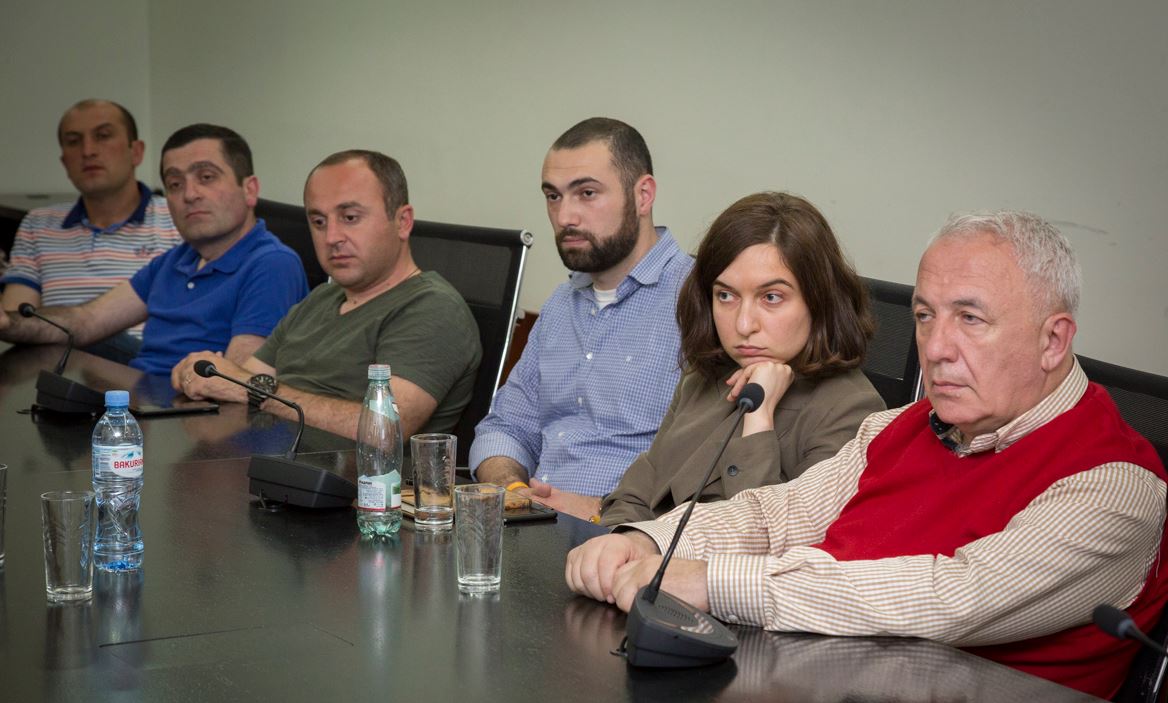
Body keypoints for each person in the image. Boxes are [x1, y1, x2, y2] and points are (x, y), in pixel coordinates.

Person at [566, 210, 1168, 699]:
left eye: (970, 318)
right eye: (925, 316)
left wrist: (713, 581)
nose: (936, 348)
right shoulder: (898, 427)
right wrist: (650, 541)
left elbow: (952, 598)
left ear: (1053, 340)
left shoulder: (1119, 485)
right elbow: (777, 515)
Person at [598, 192, 884, 526]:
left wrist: (759, 419)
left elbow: (779, 538)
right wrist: (625, 543)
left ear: (819, 300)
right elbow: (634, 493)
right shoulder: (703, 376)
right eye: (726, 295)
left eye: (771, 297)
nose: (744, 325)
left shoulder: (852, 410)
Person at [171, 150, 481, 440]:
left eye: (350, 218)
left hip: (347, 477)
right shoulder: (321, 299)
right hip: (259, 456)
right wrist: (202, 377)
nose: (331, 237)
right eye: (319, 222)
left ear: (403, 222)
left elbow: (383, 428)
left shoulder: (431, 308)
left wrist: (254, 390)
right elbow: (239, 380)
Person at [470, 117, 693, 513]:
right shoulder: (561, 304)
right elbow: (505, 427)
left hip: (626, 533)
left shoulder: (702, 299)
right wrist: (512, 488)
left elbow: (705, 476)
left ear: (643, 196)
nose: (565, 217)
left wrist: (595, 512)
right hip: (534, 521)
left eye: (587, 193)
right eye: (553, 196)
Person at [0, 123, 308, 375]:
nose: (189, 194)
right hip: (142, 406)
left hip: (190, 421)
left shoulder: (272, 264)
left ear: (250, 190)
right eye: (175, 184)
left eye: (206, 177)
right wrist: (8, 322)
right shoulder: (175, 260)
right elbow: (86, 320)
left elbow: (238, 386)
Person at [0, 99, 181, 363]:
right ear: (64, 161)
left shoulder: (177, 218)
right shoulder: (38, 224)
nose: (88, 151)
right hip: (58, 373)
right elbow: (14, 321)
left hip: (148, 371)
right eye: (74, 141)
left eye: (103, 136)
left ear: (136, 152)